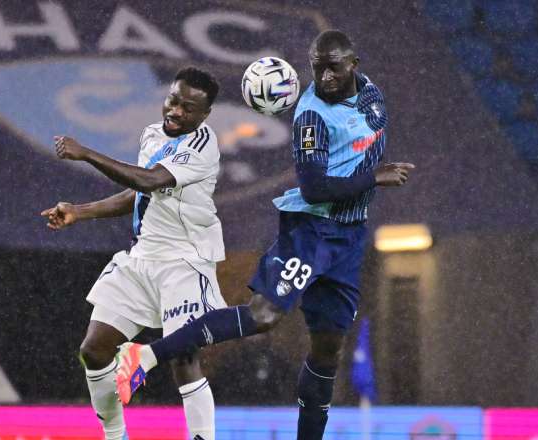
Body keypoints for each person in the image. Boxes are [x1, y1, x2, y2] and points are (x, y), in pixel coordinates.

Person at [115, 30, 414, 439]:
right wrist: (372, 178)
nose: (324, 76)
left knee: (328, 350)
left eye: (333, 68)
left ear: (354, 66)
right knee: (265, 315)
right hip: (311, 229)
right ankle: (145, 355)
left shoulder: (371, 95)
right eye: (317, 67)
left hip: (349, 237)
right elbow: (315, 188)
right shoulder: (310, 117)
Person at [41, 67, 225, 440]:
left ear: (204, 116)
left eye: (188, 108)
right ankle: (115, 436)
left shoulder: (203, 148)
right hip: (142, 259)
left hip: (185, 263)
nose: (176, 111)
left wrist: (86, 154)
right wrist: (80, 211)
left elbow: (150, 179)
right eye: (173, 100)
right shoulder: (153, 134)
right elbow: (139, 193)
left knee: (184, 358)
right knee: (94, 351)